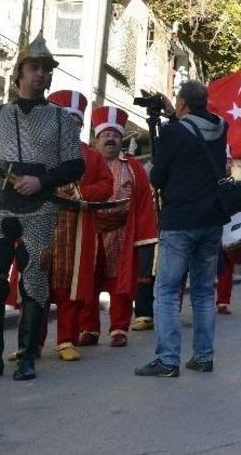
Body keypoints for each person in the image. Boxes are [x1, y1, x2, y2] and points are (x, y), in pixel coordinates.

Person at [0, 34, 84, 381]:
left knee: (35, 281)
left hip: (38, 208)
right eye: (34, 68)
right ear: (19, 74)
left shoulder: (60, 120)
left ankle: (27, 356)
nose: (40, 74)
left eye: (46, 70)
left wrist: (42, 181)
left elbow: (75, 166)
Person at [135, 80, 228, 377]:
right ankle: (203, 356)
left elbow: (158, 178)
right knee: (203, 292)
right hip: (211, 221)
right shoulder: (220, 129)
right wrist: (173, 113)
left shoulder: (174, 131)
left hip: (179, 222)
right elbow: (196, 132)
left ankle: (167, 359)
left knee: (166, 291)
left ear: (183, 103)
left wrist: (170, 121)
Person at [81, 105, 159, 348]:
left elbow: (145, 201)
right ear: (97, 139)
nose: (111, 139)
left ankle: (118, 328)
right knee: (88, 281)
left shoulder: (133, 167)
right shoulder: (85, 163)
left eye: (115, 135)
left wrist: (145, 236)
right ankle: (89, 329)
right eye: (106, 135)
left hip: (122, 234)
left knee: (121, 284)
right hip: (90, 231)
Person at [44, 90, 113, 361]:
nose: (71, 128)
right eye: (65, 122)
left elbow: (106, 185)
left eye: (76, 123)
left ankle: (65, 340)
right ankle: (30, 344)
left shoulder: (92, 156)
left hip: (77, 229)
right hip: (42, 224)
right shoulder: (40, 150)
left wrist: (81, 193)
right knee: (35, 286)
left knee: (68, 288)